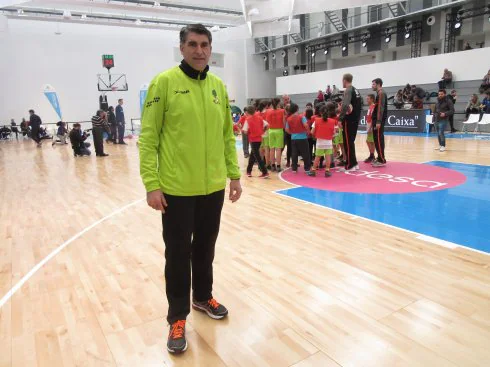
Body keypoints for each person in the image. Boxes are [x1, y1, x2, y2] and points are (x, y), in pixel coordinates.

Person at [138, 24, 242, 355]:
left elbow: (228, 135)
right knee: (178, 255)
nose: (200, 50)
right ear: (181, 48)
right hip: (177, 190)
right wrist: (152, 184)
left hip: (212, 187)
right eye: (193, 44)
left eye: (205, 45)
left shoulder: (217, 87)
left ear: (211, 49)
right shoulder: (164, 83)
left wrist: (234, 175)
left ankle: (202, 297)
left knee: (206, 248)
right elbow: (148, 138)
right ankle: (177, 317)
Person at [338, 73, 361, 172]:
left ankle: (350, 165)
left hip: (349, 120)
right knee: (350, 142)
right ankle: (354, 163)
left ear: (344, 80)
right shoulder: (356, 90)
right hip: (355, 119)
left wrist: (340, 118)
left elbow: (345, 105)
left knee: (347, 142)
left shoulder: (348, 90)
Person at [310, 103, 337, 177]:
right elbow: (334, 133)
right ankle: (327, 171)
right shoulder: (332, 121)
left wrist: (316, 135)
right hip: (328, 142)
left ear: (320, 112)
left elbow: (312, 132)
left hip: (319, 142)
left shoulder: (316, 121)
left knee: (317, 157)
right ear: (328, 112)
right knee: (328, 157)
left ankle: (313, 170)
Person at [242, 106, 270, 178]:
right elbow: (267, 125)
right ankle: (248, 171)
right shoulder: (260, 118)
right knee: (253, 155)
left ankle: (265, 172)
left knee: (257, 157)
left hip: (252, 139)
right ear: (254, 111)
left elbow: (245, 131)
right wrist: (262, 131)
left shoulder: (247, 120)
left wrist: (249, 133)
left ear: (247, 112)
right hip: (259, 139)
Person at [285, 102, 311, 174]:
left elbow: (286, 129)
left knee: (294, 153)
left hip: (293, 138)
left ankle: (294, 168)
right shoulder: (301, 117)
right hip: (302, 137)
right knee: (305, 153)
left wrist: (292, 133)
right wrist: (308, 131)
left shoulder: (289, 119)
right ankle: (307, 169)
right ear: (297, 109)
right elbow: (306, 125)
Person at [265, 97, 286, 172]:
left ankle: (272, 165)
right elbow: (284, 122)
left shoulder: (267, 111)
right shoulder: (282, 111)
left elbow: (267, 122)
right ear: (278, 103)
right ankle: (278, 166)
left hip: (271, 130)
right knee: (278, 149)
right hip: (279, 130)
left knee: (272, 149)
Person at [371, 78, 388, 167]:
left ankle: (381, 159)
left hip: (378, 121)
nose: (372, 86)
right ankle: (380, 157)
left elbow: (380, 109)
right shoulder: (379, 93)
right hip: (377, 121)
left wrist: (378, 121)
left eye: (373, 84)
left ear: (378, 84)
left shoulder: (381, 93)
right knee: (377, 139)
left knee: (378, 139)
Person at [258, 100, 271, 169]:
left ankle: (261, 164)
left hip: (259, 133)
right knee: (266, 148)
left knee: (261, 149)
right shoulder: (268, 112)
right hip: (266, 131)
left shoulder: (257, 113)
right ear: (266, 106)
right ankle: (268, 164)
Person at [364, 94, 376, 163]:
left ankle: (372, 156)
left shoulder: (373, 107)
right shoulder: (370, 107)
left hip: (370, 125)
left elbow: (372, 118)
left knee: (370, 141)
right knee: (370, 141)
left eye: (368, 99)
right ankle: (372, 155)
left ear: (372, 99)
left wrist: (370, 127)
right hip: (369, 124)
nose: (367, 100)